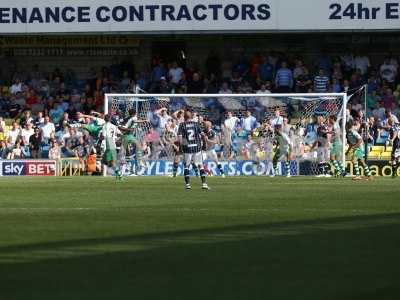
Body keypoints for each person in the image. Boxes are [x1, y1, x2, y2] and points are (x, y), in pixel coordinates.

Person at [178, 111, 209, 190]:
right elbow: (203, 135)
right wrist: (205, 144)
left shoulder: (182, 125)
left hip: (187, 148)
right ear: (191, 117)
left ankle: (188, 185)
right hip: (197, 148)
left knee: (187, 166)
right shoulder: (196, 124)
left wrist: (181, 148)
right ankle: (204, 184)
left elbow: (180, 138)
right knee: (200, 166)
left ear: (184, 117)